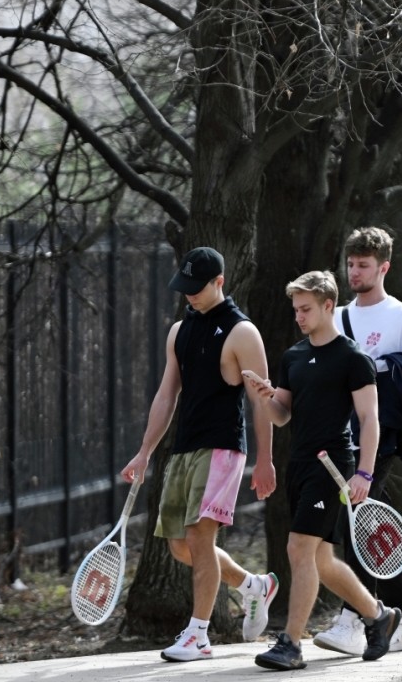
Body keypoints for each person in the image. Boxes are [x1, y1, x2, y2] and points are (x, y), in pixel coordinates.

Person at [121, 246, 278, 663]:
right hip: (184, 447)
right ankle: (253, 587)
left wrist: (265, 460)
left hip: (223, 447)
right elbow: (166, 395)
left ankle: (199, 634)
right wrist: (144, 453)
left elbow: (262, 400)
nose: (189, 294)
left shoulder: (242, 332)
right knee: (180, 547)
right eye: (184, 287)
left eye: (197, 287)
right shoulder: (180, 331)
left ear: (219, 282)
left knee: (200, 536)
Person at [242, 270, 401, 671]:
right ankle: (379, 616)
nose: (299, 316)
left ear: (328, 306)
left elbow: (369, 420)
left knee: (298, 549)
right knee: (322, 561)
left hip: (332, 467)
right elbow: (282, 416)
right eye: (296, 309)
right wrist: (265, 398)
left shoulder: (353, 358)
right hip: (300, 465)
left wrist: (363, 474)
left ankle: (291, 643)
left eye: (306, 309)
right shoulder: (294, 356)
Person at [313, 226, 402, 656]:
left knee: (358, 511)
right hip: (342, 435)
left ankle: (355, 617)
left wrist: (394, 378)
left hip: (384, 434)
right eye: (350, 264)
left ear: (384, 267)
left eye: (363, 265)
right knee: (369, 520)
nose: (354, 272)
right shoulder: (337, 318)